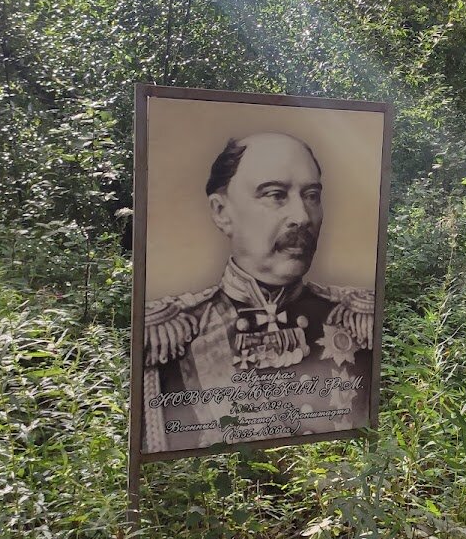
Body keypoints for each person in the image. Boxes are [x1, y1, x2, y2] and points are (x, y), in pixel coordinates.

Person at [142, 132, 373, 454]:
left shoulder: (358, 322)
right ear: (221, 211)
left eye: (311, 196)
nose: (302, 217)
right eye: (275, 195)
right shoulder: (166, 335)